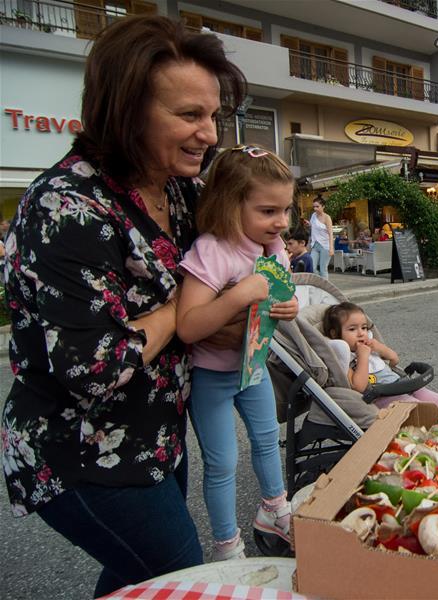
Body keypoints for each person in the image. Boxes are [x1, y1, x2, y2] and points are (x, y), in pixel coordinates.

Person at [0, 16, 246, 595]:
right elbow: (93, 369)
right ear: (127, 112)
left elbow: (223, 273)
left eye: (213, 115)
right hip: (78, 453)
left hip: (154, 437)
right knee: (181, 579)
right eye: (189, 115)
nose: (209, 134)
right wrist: (185, 311)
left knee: (131, 579)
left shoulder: (180, 189)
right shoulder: (67, 206)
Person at [176, 146, 298, 561]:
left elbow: (279, 297)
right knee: (222, 462)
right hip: (212, 374)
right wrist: (238, 296)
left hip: (254, 366)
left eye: (286, 210)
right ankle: (227, 546)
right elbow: (188, 325)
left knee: (267, 440)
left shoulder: (274, 248)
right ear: (231, 205)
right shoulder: (214, 251)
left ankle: (275, 510)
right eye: (267, 211)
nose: (280, 222)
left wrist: (289, 306)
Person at [323, 302, 438, 415]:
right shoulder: (343, 357)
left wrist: (380, 349)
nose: (361, 333)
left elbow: (394, 361)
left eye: (364, 327)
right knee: (417, 408)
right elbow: (359, 387)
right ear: (335, 334)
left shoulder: (371, 345)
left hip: (402, 385)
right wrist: (363, 357)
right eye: (352, 329)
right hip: (381, 396)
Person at [308, 195, 333, 278]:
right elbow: (313, 226)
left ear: (323, 206)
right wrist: (308, 224)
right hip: (315, 245)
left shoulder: (327, 217)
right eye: (314, 206)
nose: (315, 208)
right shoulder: (313, 215)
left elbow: (330, 233)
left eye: (317, 206)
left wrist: (331, 248)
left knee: (323, 269)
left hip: (325, 246)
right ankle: (320, 282)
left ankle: (325, 289)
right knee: (312, 267)